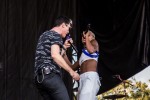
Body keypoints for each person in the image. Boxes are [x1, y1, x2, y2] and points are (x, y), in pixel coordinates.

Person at [34, 16, 80, 100]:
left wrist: (64, 47)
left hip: (40, 78)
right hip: (50, 76)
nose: (68, 32)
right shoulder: (56, 34)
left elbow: (52, 55)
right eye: (68, 28)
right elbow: (55, 55)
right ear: (63, 25)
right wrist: (72, 72)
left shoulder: (44, 35)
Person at [68, 30, 101, 100]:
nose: (84, 37)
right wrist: (64, 53)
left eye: (88, 35)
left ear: (93, 37)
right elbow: (71, 67)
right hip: (82, 79)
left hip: (90, 77)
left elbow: (91, 50)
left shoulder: (94, 42)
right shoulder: (82, 55)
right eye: (83, 36)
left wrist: (86, 36)